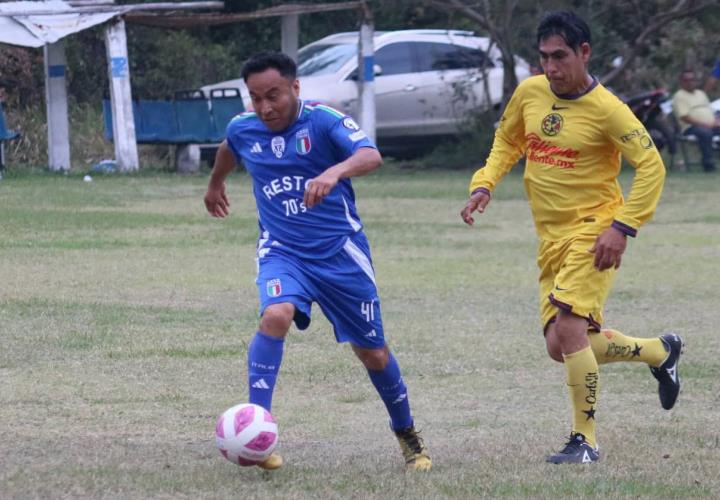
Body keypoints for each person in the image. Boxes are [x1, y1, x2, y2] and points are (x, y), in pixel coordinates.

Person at [460, 11, 682, 464]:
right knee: (560, 347)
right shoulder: (531, 92)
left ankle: (586, 441)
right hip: (551, 238)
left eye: (559, 56)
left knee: (568, 326)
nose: (551, 68)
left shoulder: (610, 111)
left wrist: (621, 227)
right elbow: (508, 141)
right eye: (543, 57)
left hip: (594, 230)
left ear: (584, 52)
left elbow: (651, 167)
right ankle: (659, 352)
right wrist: (484, 183)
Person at [204, 51, 431, 472]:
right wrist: (216, 183)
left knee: (374, 355)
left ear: (294, 87)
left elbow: (371, 155)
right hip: (282, 251)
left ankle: (406, 433)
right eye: (256, 98)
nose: (265, 107)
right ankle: (258, 432)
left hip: (339, 255)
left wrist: (334, 172)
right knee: (275, 315)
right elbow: (229, 147)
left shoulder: (323, 120)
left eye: (273, 95)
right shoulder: (244, 128)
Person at [673, 69, 719, 172]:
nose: (690, 82)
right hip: (691, 127)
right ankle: (708, 164)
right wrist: (704, 124)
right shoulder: (679, 96)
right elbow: (684, 117)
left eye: (692, 79)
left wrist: (716, 120)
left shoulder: (701, 93)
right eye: (686, 80)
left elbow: (710, 110)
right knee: (705, 133)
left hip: (710, 125)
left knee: (708, 130)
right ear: (681, 82)